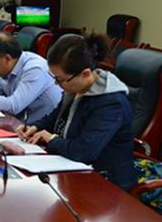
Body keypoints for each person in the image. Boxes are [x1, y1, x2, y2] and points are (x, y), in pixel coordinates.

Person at [17, 33, 138, 190]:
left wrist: (51, 138)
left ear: (86, 73)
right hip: (71, 168)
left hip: (105, 183)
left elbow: (84, 151)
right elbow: (54, 118)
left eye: (60, 79)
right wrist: (34, 127)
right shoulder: (75, 87)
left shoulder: (111, 103)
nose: (57, 84)